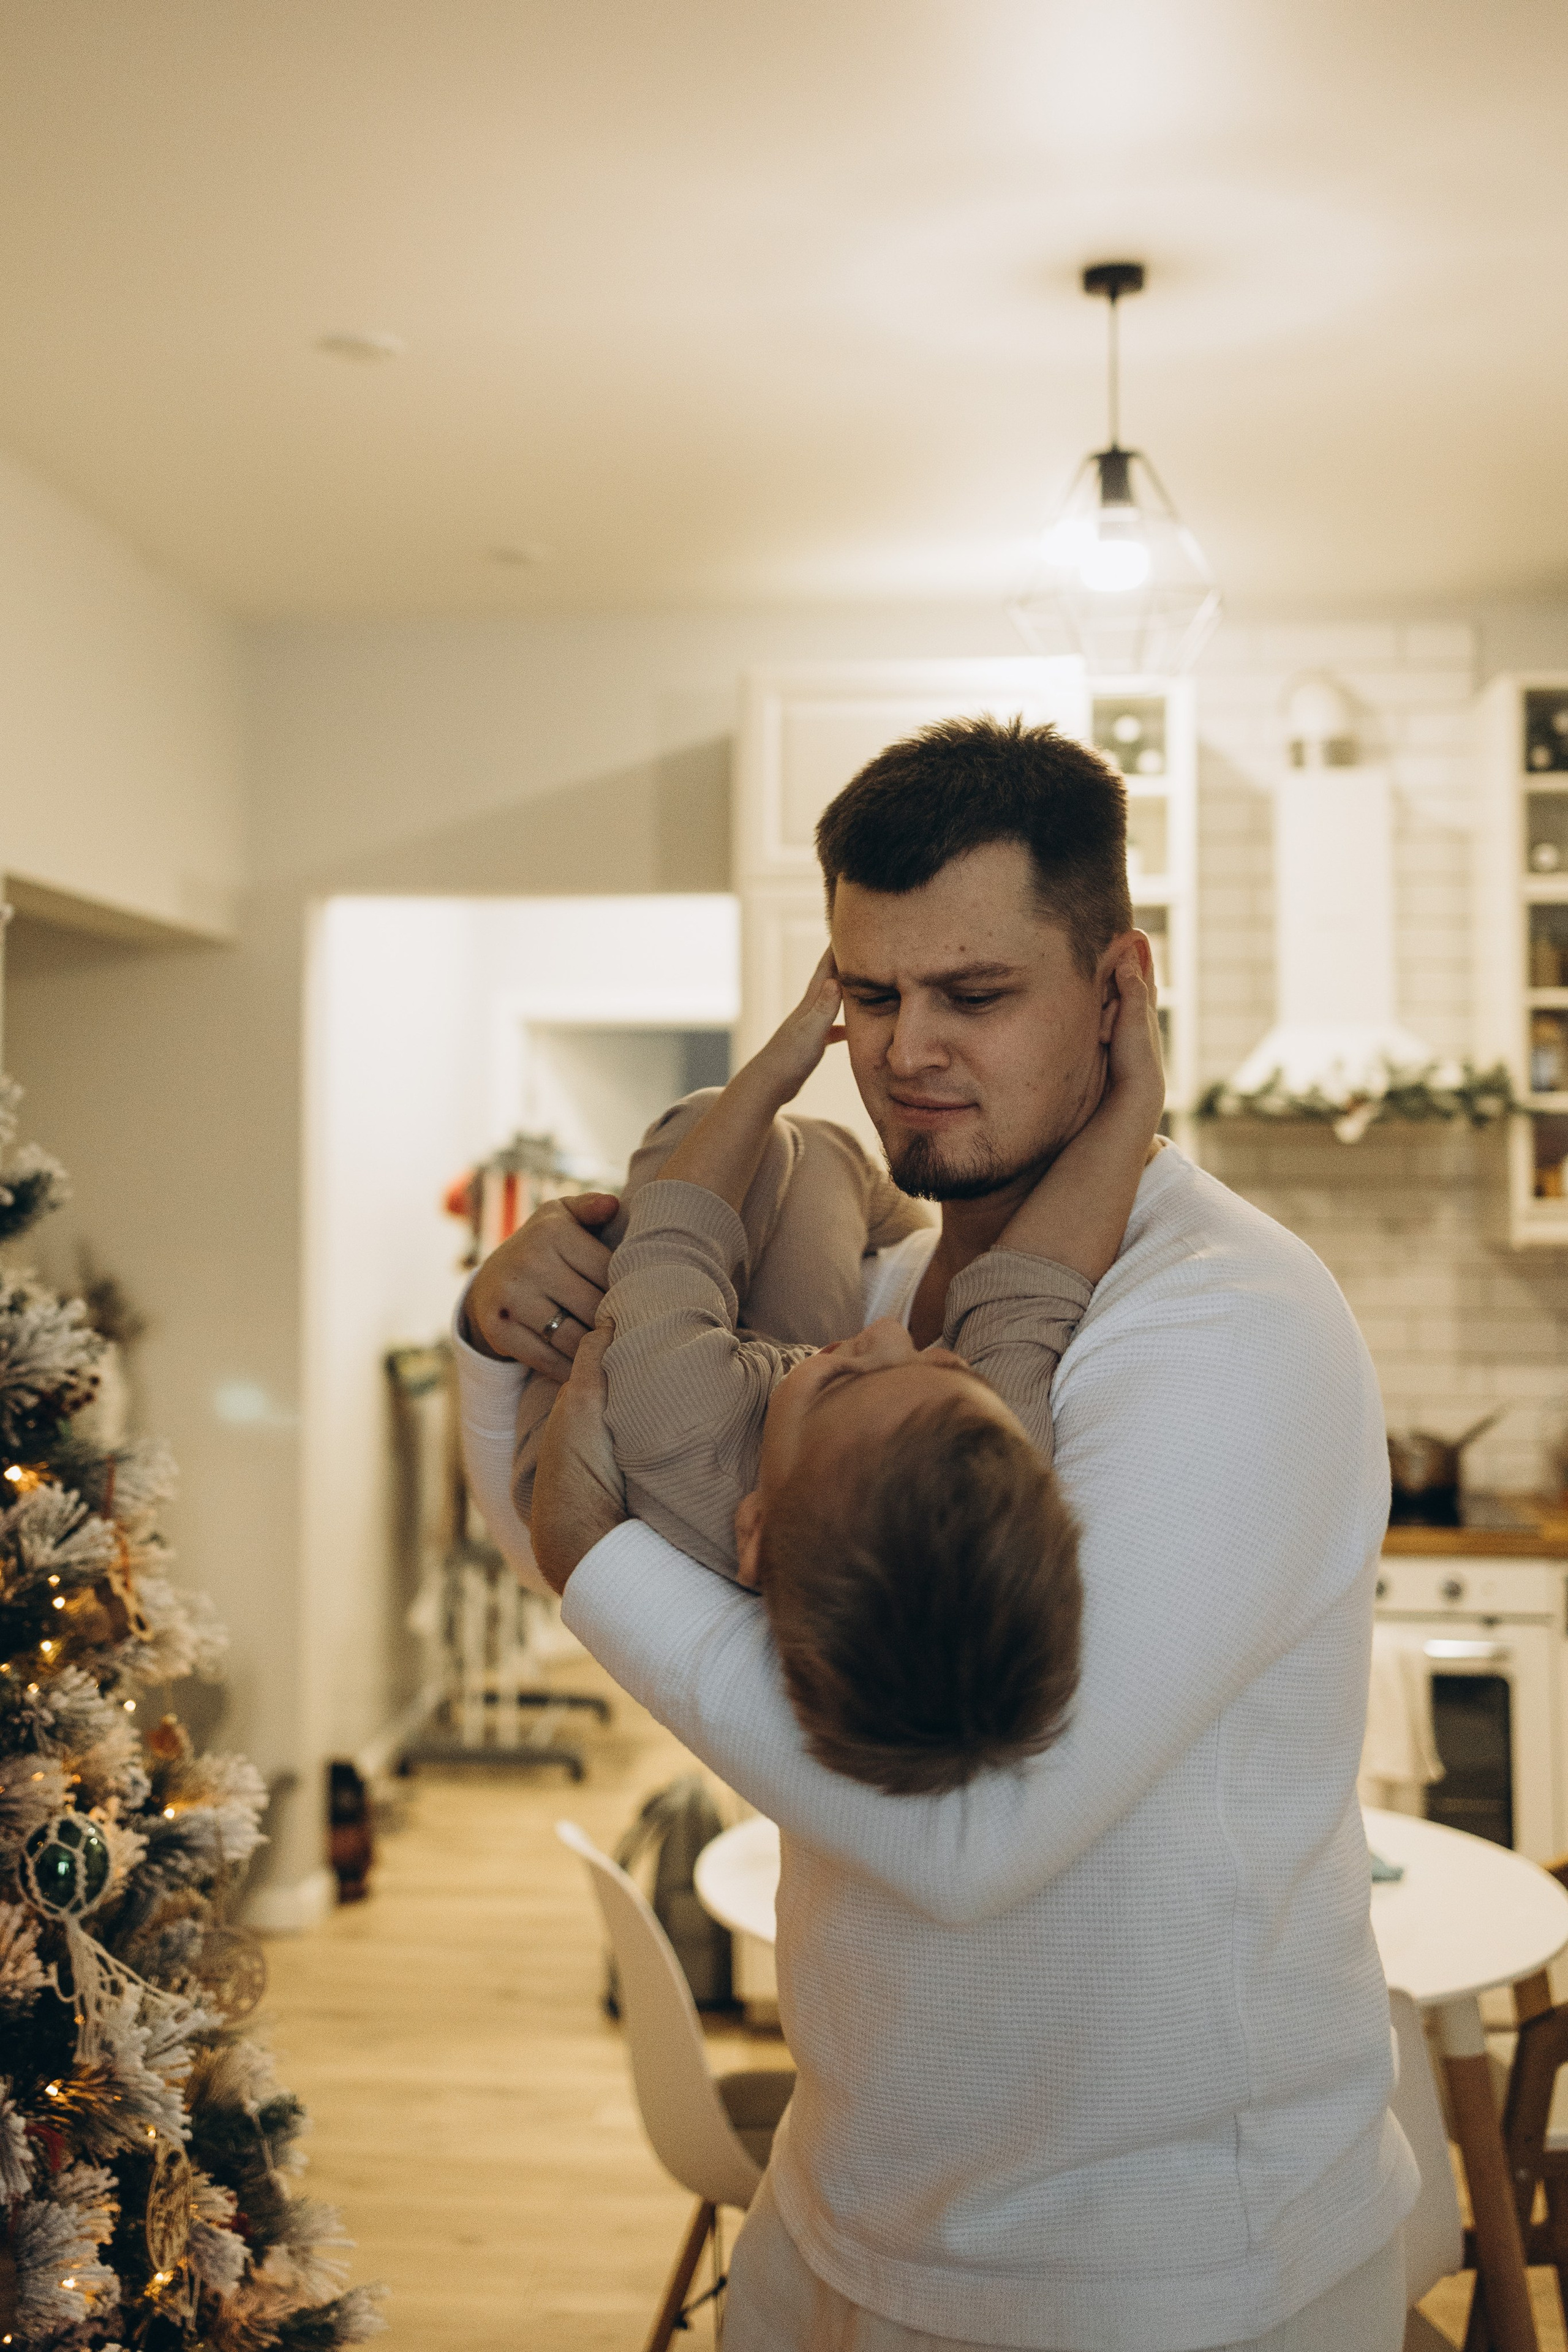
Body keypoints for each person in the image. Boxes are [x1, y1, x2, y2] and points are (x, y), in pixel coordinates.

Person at [458, 716, 1416, 2352]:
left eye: (974, 995)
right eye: (871, 995)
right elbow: (627, 1537)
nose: (909, 1049)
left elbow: (979, 1836)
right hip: (849, 2199)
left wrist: (591, 1552)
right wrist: (511, 1344)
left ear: (1115, 986)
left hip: (1161, 2268)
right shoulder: (892, 1305)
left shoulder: (1228, 1325)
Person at [510, 938, 1161, 1795]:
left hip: (590, 1420)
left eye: (848, 1375)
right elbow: (1030, 1294)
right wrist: (1137, 1100)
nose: (890, 1336)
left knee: (762, 1142)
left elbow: (678, 1229)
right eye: (947, 1367)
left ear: (753, 1530)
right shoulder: (967, 1459)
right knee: (820, 1171)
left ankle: (825, 1176)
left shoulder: (687, 1423)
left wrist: (784, 1059)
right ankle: (856, 1207)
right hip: (768, 1399)